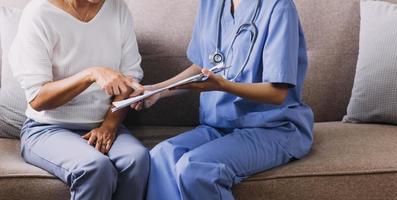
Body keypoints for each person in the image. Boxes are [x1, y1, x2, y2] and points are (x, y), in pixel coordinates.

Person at [131, 0, 314, 199]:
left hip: (272, 127)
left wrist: (224, 86)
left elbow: (277, 94)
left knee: (196, 168)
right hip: (220, 125)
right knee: (161, 156)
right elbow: (202, 66)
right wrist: (158, 90)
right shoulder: (210, 4)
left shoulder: (278, 6)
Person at [9, 0, 149, 199]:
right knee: (95, 167)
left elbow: (130, 76)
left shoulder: (118, 8)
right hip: (47, 128)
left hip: (105, 123)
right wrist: (90, 74)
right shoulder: (39, 13)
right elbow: (38, 99)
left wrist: (109, 125)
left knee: (136, 159)